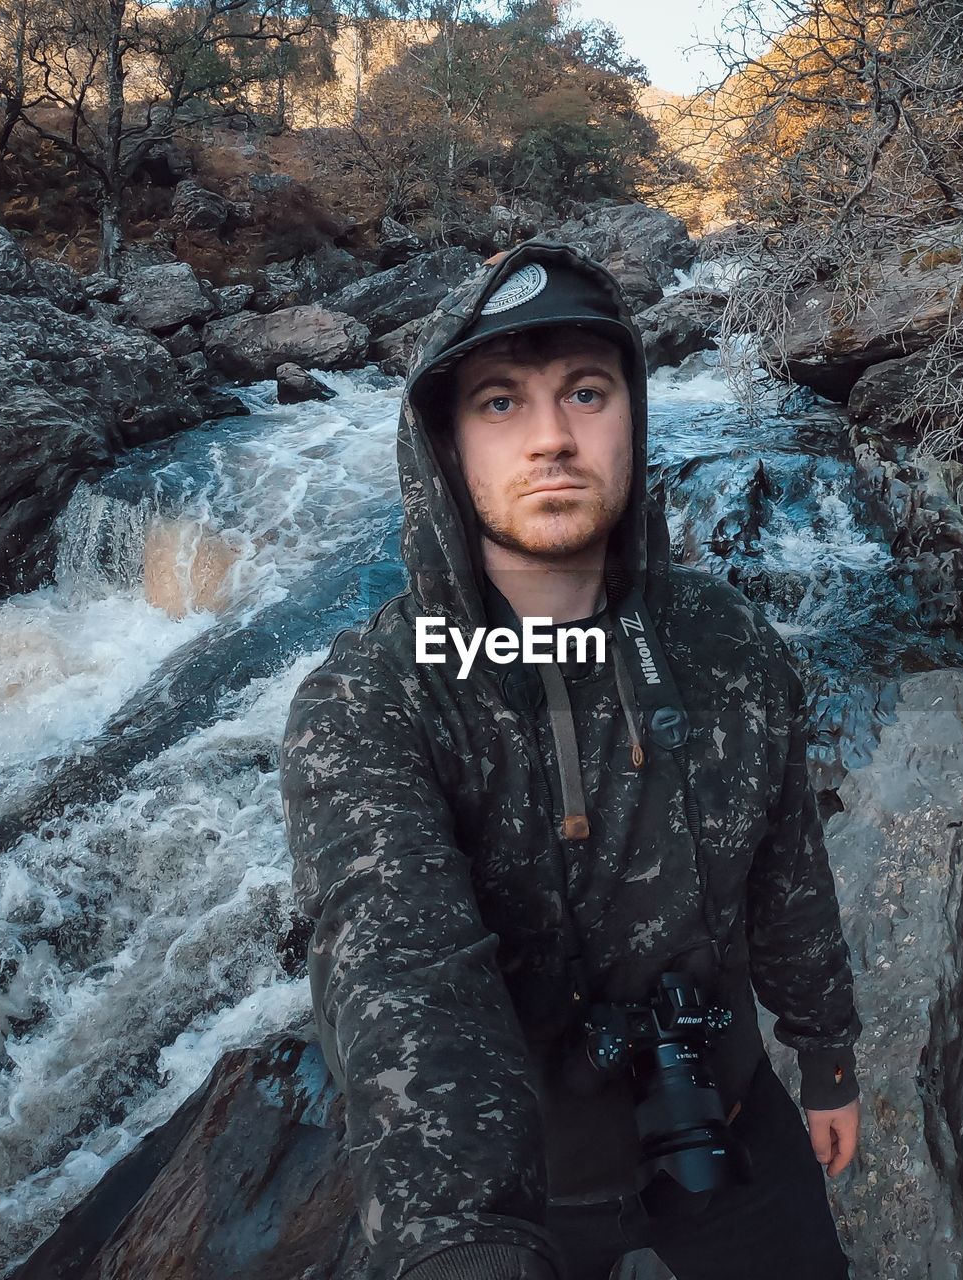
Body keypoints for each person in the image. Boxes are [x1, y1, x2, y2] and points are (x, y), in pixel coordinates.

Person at [280, 240, 862, 1280]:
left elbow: (786, 865)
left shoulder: (726, 641)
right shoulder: (373, 700)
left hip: (729, 1119)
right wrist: (459, 1239)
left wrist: (824, 1052)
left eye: (585, 392)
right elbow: (399, 972)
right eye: (499, 402)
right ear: (444, 445)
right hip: (531, 1183)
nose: (551, 437)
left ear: (632, 415)